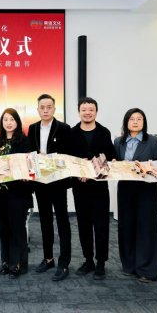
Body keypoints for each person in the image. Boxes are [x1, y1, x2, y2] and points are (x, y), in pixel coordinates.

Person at [114, 108, 157, 283]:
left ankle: (147, 270)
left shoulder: (152, 141)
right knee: (126, 226)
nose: (135, 122)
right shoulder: (118, 142)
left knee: (146, 228)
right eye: (132, 119)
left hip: (146, 190)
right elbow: (114, 164)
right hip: (125, 189)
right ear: (126, 122)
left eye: (139, 119)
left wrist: (148, 169)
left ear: (144, 122)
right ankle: (129, 265)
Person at [68, 97, 116, 280]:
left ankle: (101, 262)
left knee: (101, 225)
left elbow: (110, 156)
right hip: (80, 186)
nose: (87, 113)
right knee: (83, 225)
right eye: (84, 110)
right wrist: (80, 169)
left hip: (99, 186)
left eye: (91, 110)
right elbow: (69, 159)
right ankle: (88, 260)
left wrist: (96, 164)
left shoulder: (104, 132)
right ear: (79, 111)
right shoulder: (72, 133)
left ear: (96, 111)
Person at [27, 94, 72, 281]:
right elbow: (29, 154)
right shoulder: (32, 128)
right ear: (38, 109)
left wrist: (50, 159)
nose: (45, 110)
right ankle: (48, 258)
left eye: (49, 107)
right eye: (42, 107)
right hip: (41, 183)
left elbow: (68, 154)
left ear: (54, 109)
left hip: (58, 182)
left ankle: (64, 262)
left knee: (62, 222)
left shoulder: (64, 128)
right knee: (45, 221)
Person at [0, 108, 34, 279]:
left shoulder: (24, 141)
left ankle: (18, 264)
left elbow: (31, 165)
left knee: (17, 228)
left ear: (17, 122)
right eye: (5, 120)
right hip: (0, 193)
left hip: (18, 193)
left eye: (12, 119)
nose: (8, 123)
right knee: (4, 228)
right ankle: (6, 262)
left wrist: (27, 174)